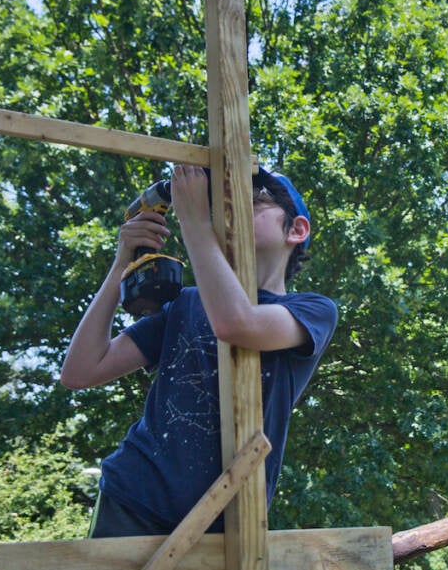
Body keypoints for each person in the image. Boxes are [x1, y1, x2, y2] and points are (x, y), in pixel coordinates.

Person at [61, 164, 337, 538]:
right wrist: (122, 264)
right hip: (131, 500)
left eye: (254, 201)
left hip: (224, 525)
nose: (230, 213)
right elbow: (80, 372)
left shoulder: (313, 312)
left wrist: (194, 223)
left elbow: (238, 324)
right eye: (223, 205)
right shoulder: (186, 303)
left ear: (297, 229)